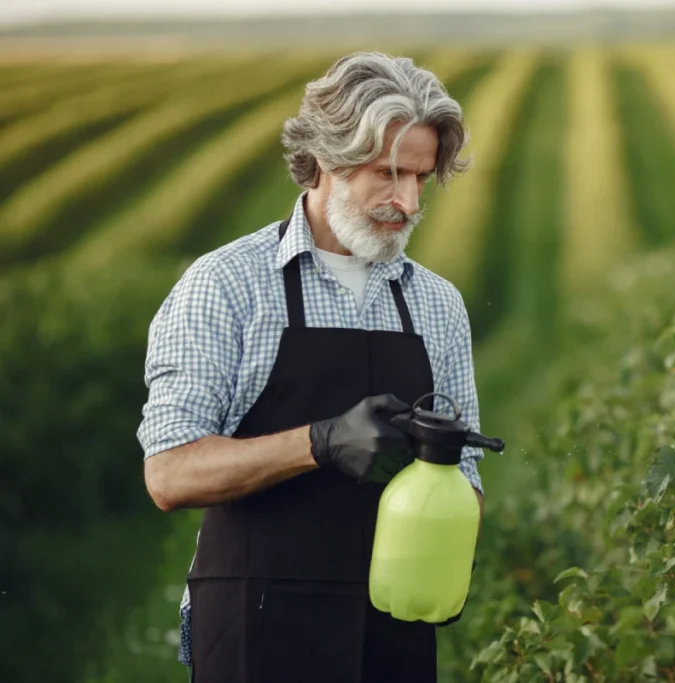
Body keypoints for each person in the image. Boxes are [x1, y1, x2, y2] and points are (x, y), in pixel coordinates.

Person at [137, 51, 485, 683]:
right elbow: (169, 473)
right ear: (327, 157)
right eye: (387, 173)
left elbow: (468, 479)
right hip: (255, 629)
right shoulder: (227, 285)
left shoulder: (438, 305)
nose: (406, 203)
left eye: (419, 178)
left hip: (394, 633)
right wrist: (319, 443)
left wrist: (444, 533)